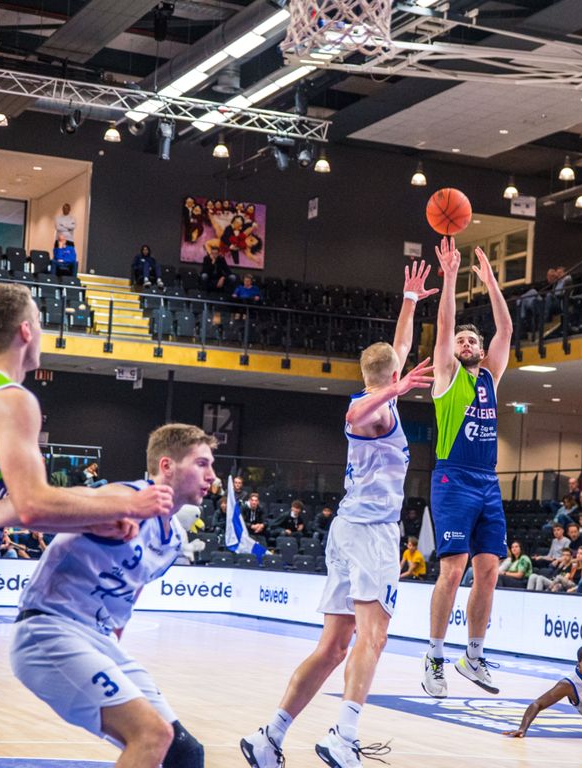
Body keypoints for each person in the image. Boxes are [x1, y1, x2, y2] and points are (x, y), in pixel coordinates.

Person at [0, 282, 173, 768]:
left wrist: (94, 514)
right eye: (41, 324)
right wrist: (127, 504)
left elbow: (12, 500)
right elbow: (33, 505)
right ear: (26, 331)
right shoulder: (13, 400)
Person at [242, 259, 436, 768]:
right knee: (375, 636)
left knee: (333, 647)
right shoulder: (374, 408)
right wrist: (394, 389)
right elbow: (352, 414)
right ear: (391, 378)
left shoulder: (384, 394)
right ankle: (343, 735)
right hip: (370, 533)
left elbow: (399, 349)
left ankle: (269, 736)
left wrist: (409, 301)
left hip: (348, 529)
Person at [9, 424, 217, 768]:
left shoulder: (174, 540)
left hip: (98, 640)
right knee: (152, 735)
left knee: (184, 752)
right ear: (166, 466)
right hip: (49, 629)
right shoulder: (124, 497)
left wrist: (112, 648)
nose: (212, 476)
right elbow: (35, 513)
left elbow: (129, 596)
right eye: (202, 464)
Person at [420, 237, 511, 699]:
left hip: (487, 481)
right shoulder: (447, 374)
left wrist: (492, 283)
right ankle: (434, 657)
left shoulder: (490, 377)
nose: (468, 342)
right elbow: (444, 325)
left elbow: (505, 330)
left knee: (489, 569)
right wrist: (451, 276)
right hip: (452, 478)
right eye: (462, 340)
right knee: (453, 569)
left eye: (473, 339)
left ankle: (473, 656)